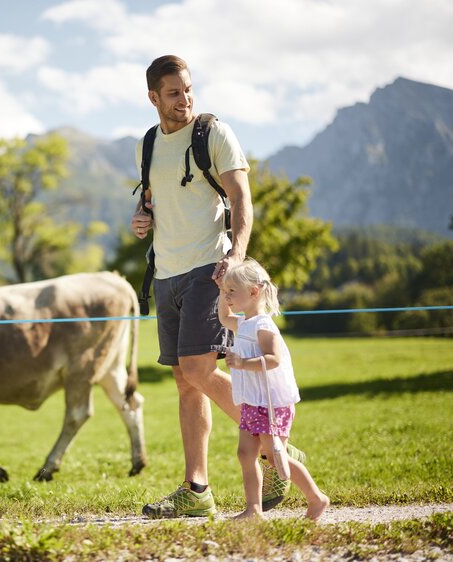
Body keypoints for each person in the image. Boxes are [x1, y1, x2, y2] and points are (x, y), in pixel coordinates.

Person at [131, 55, 304, 519]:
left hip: (210, 269)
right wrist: (142, 220)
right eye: (173, 92)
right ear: (153, 98)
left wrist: (236, 257)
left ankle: (274, 448)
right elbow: (155, 201)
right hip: (165, 274)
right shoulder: (147, 145)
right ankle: (197, 490)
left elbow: (241, 198)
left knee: (199, 369)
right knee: (186, 382)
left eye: (188, 89)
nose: (184, 99)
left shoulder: (215, 134)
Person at [218, 258, 330, 520]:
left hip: (271, 403)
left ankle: (316, 498)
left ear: (254, 291)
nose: (228, 296)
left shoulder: (263, 326)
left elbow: (273, 359)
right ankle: (253, 509)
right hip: (252, 401)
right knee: (246, 453)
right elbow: (224, 317)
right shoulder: (243, 323)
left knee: (272, 455)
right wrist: (220, 289)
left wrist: (243, 363)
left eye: (233, 291)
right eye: (227, 291)